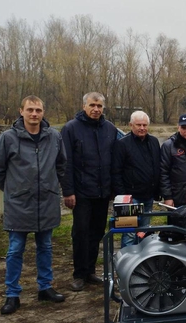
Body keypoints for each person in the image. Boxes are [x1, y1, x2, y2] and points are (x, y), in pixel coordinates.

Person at [0, 95, 67, 314]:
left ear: (43, 112)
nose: (34, 114)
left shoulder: (53, 137)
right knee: (15, 250)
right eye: (30, 110)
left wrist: (52, 186)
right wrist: (14, 189)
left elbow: (62, 165)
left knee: (46, 247)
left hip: (46, 201)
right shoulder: (8, 138)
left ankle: (45, 287)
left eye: (38, 110)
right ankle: (12, 294)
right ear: (21, 111)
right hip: (19, 204)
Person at [61, 92, 118, 292]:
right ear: (84, 106)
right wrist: (68, 191)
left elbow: (114, 160)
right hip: (81, 192)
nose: (96, 109)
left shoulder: (110, 129)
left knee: (97, 233)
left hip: (102, 193)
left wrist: (113, 189)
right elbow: (65, 163)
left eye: (99, 106)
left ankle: (91, 270)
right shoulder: (70, 129)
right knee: (80, 233)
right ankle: (79, 273)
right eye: (92, 105)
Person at [112, 111, 160, 248]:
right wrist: (123, 196)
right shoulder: (122, 144)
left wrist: (157, 190)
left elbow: (156, 167)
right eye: (138, 125)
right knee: (129, 234)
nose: (142, 128)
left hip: (148, 196)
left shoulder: (154, 142)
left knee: (144, 232)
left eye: (145, 125)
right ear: (130, 125)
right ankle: (125, 263)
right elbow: (116, 172)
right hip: (130, 198)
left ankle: (141, 264)